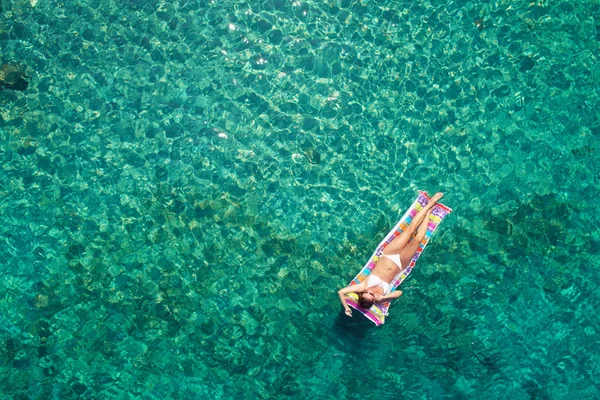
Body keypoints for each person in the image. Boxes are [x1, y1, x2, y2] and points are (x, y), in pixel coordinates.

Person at [338, 192, 444, 317]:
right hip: (401, 264)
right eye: (371, 294)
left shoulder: (363, 286)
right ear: (373, 300)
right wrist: (382, 298)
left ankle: (430, 203)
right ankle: (428, 213)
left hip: (388, 254)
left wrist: (346, 308)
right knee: (418, 239)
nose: (370, 291)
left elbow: (341, 292)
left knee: (410, 231)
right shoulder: (382, 297)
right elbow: (399, 293)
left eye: (366, 292)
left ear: (362, 293)